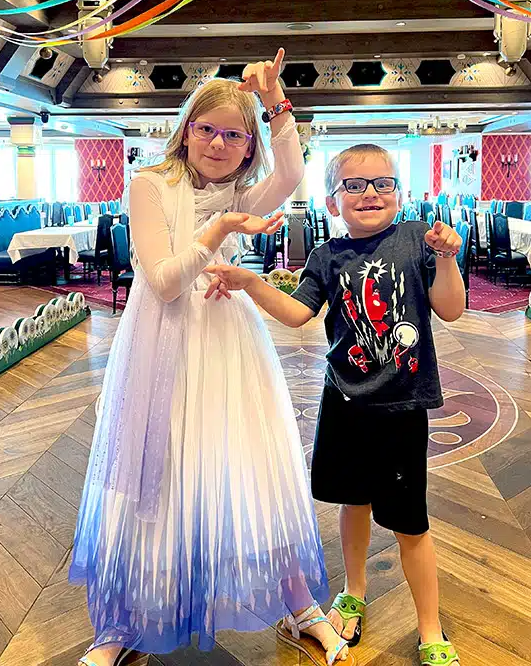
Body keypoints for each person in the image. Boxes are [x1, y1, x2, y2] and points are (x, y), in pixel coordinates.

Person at [73, 50, 355, 666]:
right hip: (161, 348)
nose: (220, 143)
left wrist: (276, 102)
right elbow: (167, 282)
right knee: (158, 472)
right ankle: (125, 625)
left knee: (253, 466)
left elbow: (292, 173)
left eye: (235, 135)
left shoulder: (242, 188)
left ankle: (299, 605)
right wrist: (220, 229)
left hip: (228, 342)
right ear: (186, 129)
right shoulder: (149, 184)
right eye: (209, 129)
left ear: (248, 148)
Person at [205, 143, 465, 666]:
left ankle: (431, 629)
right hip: (345, 402)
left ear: (400, 192)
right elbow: (297, 314)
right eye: (354, 185)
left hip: (402, 408)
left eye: (382, 183)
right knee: (354, 502)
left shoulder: (418, 240)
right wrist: (253, 282)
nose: (370, 193)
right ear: (332, 201)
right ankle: (353, 591)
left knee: (412, 524)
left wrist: (446, 257)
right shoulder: (327, 258)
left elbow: (452, 309)